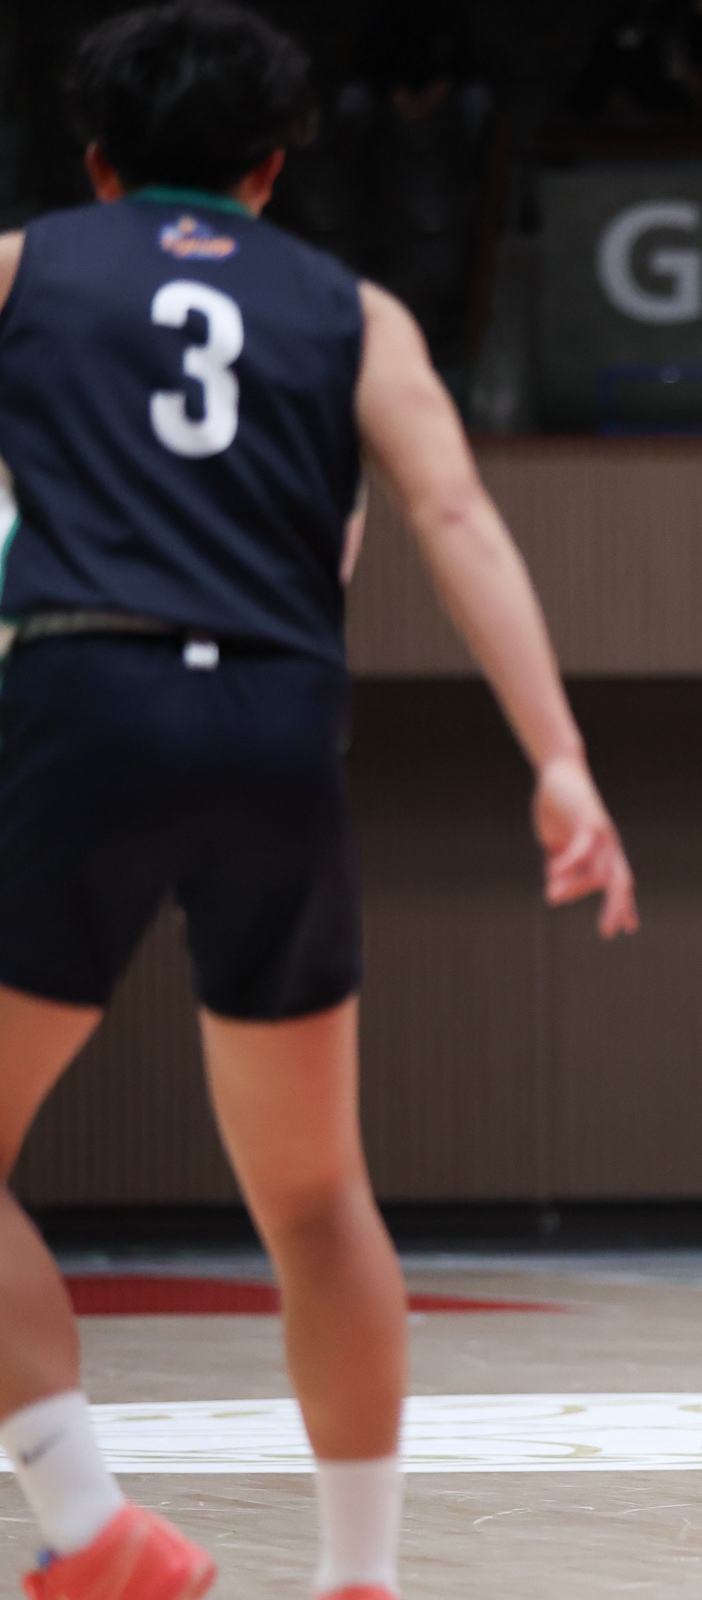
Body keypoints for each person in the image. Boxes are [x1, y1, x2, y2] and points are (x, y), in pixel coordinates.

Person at [0, 6, 639, 1598]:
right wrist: (558, 758)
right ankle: (361, 1578)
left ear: (98, 164)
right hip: (279, 721)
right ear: (271, 171)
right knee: (314, 1193)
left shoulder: (22, 268)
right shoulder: (355, 312)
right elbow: (453, 514)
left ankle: (92, 1526)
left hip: (83, 697)